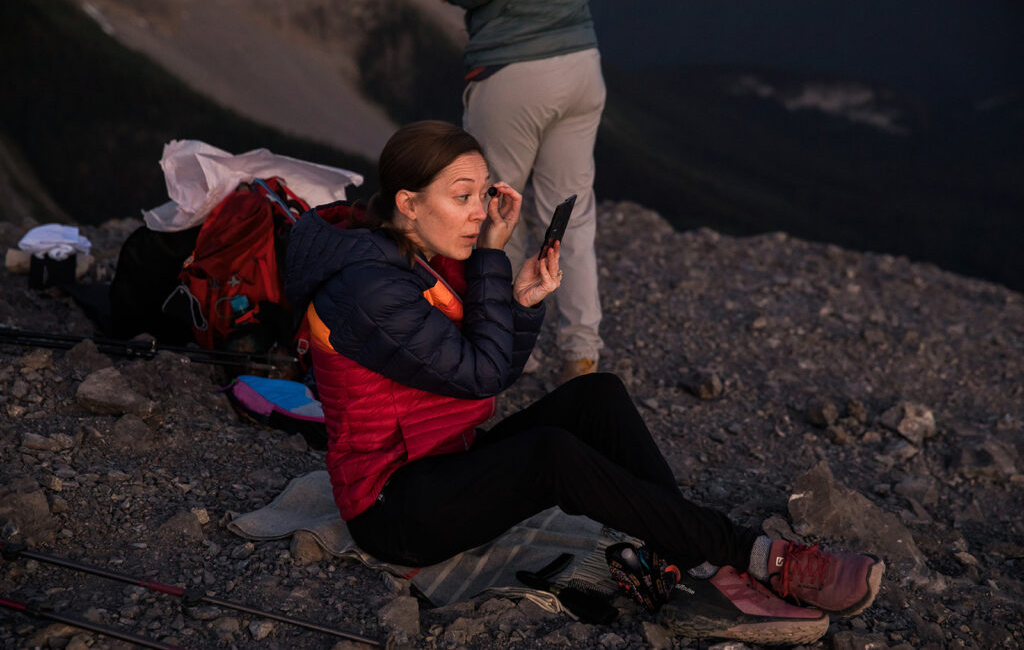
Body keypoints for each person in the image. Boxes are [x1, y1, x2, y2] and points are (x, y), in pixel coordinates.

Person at [284, 121, 884, 645]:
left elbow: (481, 361)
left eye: (483, 193)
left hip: (441, 463)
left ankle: (694, 568)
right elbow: (481, 375)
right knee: (552, 457)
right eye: (463, 196)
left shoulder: (413, 257)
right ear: (409, 204)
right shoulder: (368, 290)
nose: (478, 211)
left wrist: (520, 303)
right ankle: (759, 558)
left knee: (596, 397)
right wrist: (492, 256)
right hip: (394, 509)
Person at [423, 0, 605, 383]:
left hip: (515, 68)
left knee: (497, 211)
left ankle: (507, 347)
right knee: (570, 214)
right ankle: (581, 352)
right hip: (581, 61)